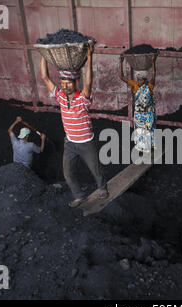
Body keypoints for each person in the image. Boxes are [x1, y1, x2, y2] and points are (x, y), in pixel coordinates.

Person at [40, 41, 108, 208]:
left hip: (86, 142)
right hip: (70, 142)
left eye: (68, 83)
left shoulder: (82, 99)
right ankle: (79, 196)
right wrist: (43, 55)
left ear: (75, 83)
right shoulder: (60, 97)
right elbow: (44, 77)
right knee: (68, 173)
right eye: (62, 83)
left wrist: (90, 56)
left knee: (95, 169)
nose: (65, 86)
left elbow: (88, 82)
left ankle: (102, 188)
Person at [119, 54, 157, 154]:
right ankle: (141, 147)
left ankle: (150, 148)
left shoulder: (149, 86)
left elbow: (154, 74)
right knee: (140, 131)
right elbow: (121, 77)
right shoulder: (135, 85)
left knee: (148, 130)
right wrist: (121, 62)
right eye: (138, 79)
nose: (139, 81)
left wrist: (153, 62)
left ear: (145, 80)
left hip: (148, 113)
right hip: (138, 114)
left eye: (141, 80)